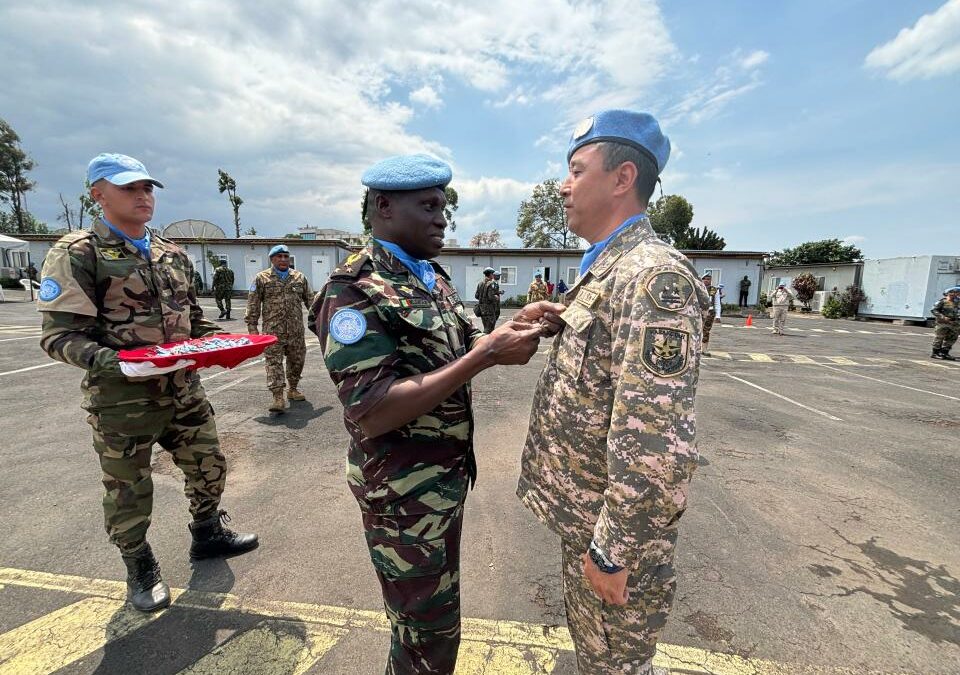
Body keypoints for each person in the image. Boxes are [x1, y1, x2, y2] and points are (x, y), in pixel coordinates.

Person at [309, 153, 563, 675]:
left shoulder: (430, 276)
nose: (442, 218)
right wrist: (485, 356)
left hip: (439, 485)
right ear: (383, 207)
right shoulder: (352, 290)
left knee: (429, 628)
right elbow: (372, 410)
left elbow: (463, 340)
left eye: (443, 206)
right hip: (401, 494)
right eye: (428, 206)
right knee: (427, 637)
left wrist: (513, 327)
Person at [517, 110, 708, 675]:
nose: (563, 185)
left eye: (576, 170)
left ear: (622, 178)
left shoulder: (653, 278)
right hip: (587, 520)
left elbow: (656, 439)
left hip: (613, 534)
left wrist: (613, 550)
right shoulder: (608, 270)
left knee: (616, 665)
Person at [37, 153, 257, 613]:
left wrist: (222, 344)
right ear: (98, 193)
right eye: (129, 188)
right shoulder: (79, 252)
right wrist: (117, 363)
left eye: (148, 188)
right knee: (129, 488)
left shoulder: (170, 253)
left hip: (183, 391)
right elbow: (59, 337)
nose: (143, 196)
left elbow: (192, 323)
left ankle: (207, 533)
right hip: (122, 401)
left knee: (209, 465)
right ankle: (139, 564)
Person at [246, 244, 313, 412]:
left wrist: (321, 320)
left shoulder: (299, 278)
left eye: (286, 256)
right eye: (279, 256)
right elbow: (253, 304)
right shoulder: (262, 278)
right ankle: (277, 397)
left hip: (296, 331)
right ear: (272, 259)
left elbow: (311, 302)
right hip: (272, 332)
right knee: (273, 363)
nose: (283, 260)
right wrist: (252, 328)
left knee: (297, 361)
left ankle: (293, 389)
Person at [930, 286, 960, 360]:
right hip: (943, 323)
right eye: (953, 293)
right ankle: (935, 353)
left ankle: (944, 352)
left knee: (952, 338)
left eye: (956, 293)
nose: (955, 295)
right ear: (948, 293)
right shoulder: (942, 301)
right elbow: (934, 310)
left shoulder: (957, 302)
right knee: (939, 338)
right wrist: (943, 317)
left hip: (954, 323)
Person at [477, 267, 503, 333]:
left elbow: (476, 296)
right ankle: (485, 341)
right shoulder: (490, 283)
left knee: (486, 326)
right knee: (489, 329)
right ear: (491, 274)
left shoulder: (480, 283)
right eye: (492, 274)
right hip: (489, 310)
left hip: (482, 309)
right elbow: (491, 297)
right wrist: (496, 297)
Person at [701, 273, 720, 356]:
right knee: (696, 330)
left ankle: (704, 349)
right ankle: (695, 348)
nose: (706, 280)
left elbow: (717, 303)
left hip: (710, 312)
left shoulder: (714, 290)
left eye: (708, 279)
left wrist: (718, 316)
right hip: (699, 312)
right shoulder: (698, 288)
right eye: (705, 279)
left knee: (706, 331)